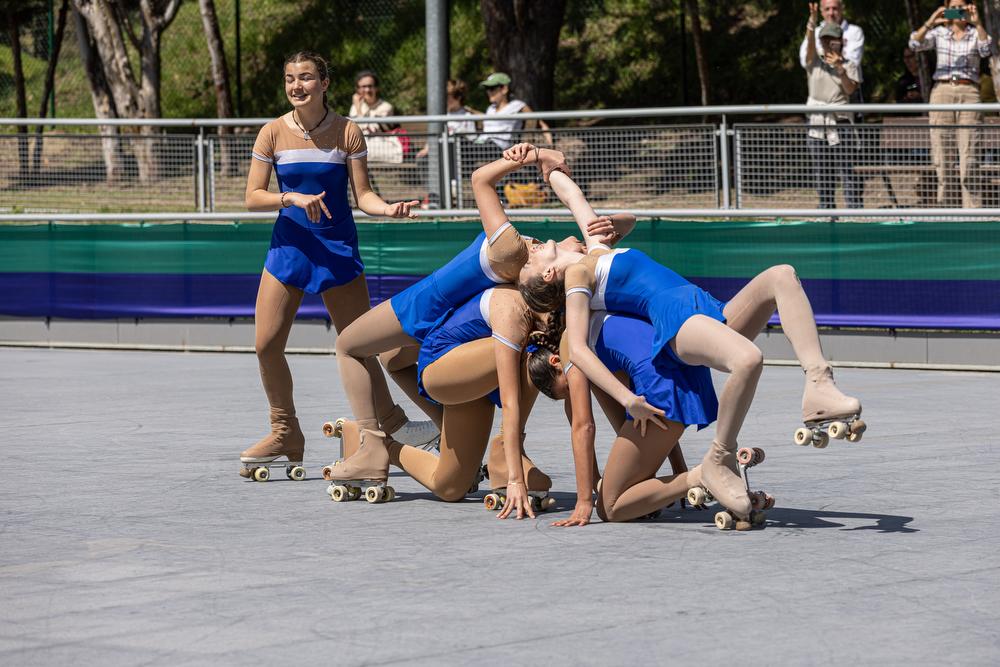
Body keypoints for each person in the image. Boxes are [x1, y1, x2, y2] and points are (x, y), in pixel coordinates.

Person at [512, 142, 864, 523]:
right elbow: (578, 350)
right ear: (549, 275)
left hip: (704, 306)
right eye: (528, 261)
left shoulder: (595, 249)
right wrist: (628, 399)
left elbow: (573, 196)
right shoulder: (578, 276)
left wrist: (542, 161)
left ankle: (819, 383)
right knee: (747, 359)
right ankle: (719, 458)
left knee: (781, 276)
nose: (529, 249)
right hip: (675, 319)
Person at [323, 145, 608, 517]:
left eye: (584, 246)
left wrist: (534, 158)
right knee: (353, 346)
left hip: (449, 325)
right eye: (584, 245)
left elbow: (483, 180)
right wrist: (534, 156)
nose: (583, 242)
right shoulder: (520, 265)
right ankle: (375, 441)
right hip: (433, 312)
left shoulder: (539, 268)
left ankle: (405, 441)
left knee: (451, 484)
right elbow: (486, 182)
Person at [238, 52, 434, 481]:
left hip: (336, 249)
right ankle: (285, 432)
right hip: (288, 248)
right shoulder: (271, 132)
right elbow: (253, 195)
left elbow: (362, 195)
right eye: (290, 78)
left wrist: (387, 210)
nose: (296, 86)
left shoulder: (348, 131)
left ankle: (392, 425)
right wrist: (290, 198)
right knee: (266, 344)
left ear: (324, 83)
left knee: (362, 344)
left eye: (306, 78)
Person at [527, 308, 712, 527]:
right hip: (686, 373)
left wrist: (584, 502)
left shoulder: (575, 347)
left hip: (664, 390)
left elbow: (584, 426)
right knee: (630, 487)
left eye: (568, 388)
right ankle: (699, 476)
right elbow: (637, 421)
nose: (574, 396)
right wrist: (678, 468)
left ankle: (708, 473)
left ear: (556, 362)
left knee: (610, 507)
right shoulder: (595, 332)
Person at [910, 1, 993, 208]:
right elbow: (914, 43)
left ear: (969, 7)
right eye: (954, 6)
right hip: (942, 90)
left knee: (970, 156)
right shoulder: (938, 32)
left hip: (969, 91)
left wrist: (978, 22)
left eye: (962, 6)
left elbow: (986, 50)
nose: (958, 11)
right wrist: (931, 20)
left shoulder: (975, 32)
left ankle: (973, 215)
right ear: (946, 7)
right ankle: (945, 210)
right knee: (942, 155)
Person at [803, 6, 863, 210]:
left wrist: (840, 68)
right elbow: (809, 44)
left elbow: (850, 89)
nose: (829, 44)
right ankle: (826, 211)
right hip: (817, 121)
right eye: (825, 40)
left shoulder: (850, 64)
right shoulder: (813, 61)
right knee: (822, 172)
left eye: (833, 40)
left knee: (846, 170)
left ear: (841, 42)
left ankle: (855, 213)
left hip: (841, 121)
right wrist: (811, 21)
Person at [798, 0, 865, 89]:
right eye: (827, 9)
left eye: (835, 8)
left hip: (848, 89)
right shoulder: (815, 32)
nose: (831, 13)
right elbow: (805, 61)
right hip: (822, 91)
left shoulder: (854, 32)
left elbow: (852, 62)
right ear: (821, 11)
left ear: (842, 9)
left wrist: (820, 56)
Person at [348, 70, 404, 164]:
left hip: (382, 149)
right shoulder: (355, 106)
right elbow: (352, 130)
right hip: (362, 150)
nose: (367, 90)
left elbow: (368, 129)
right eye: (363, 87)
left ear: (376, 88)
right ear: (357, 90)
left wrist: (358, 111)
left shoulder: (386, 107)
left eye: (370, 86)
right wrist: (357, 107)